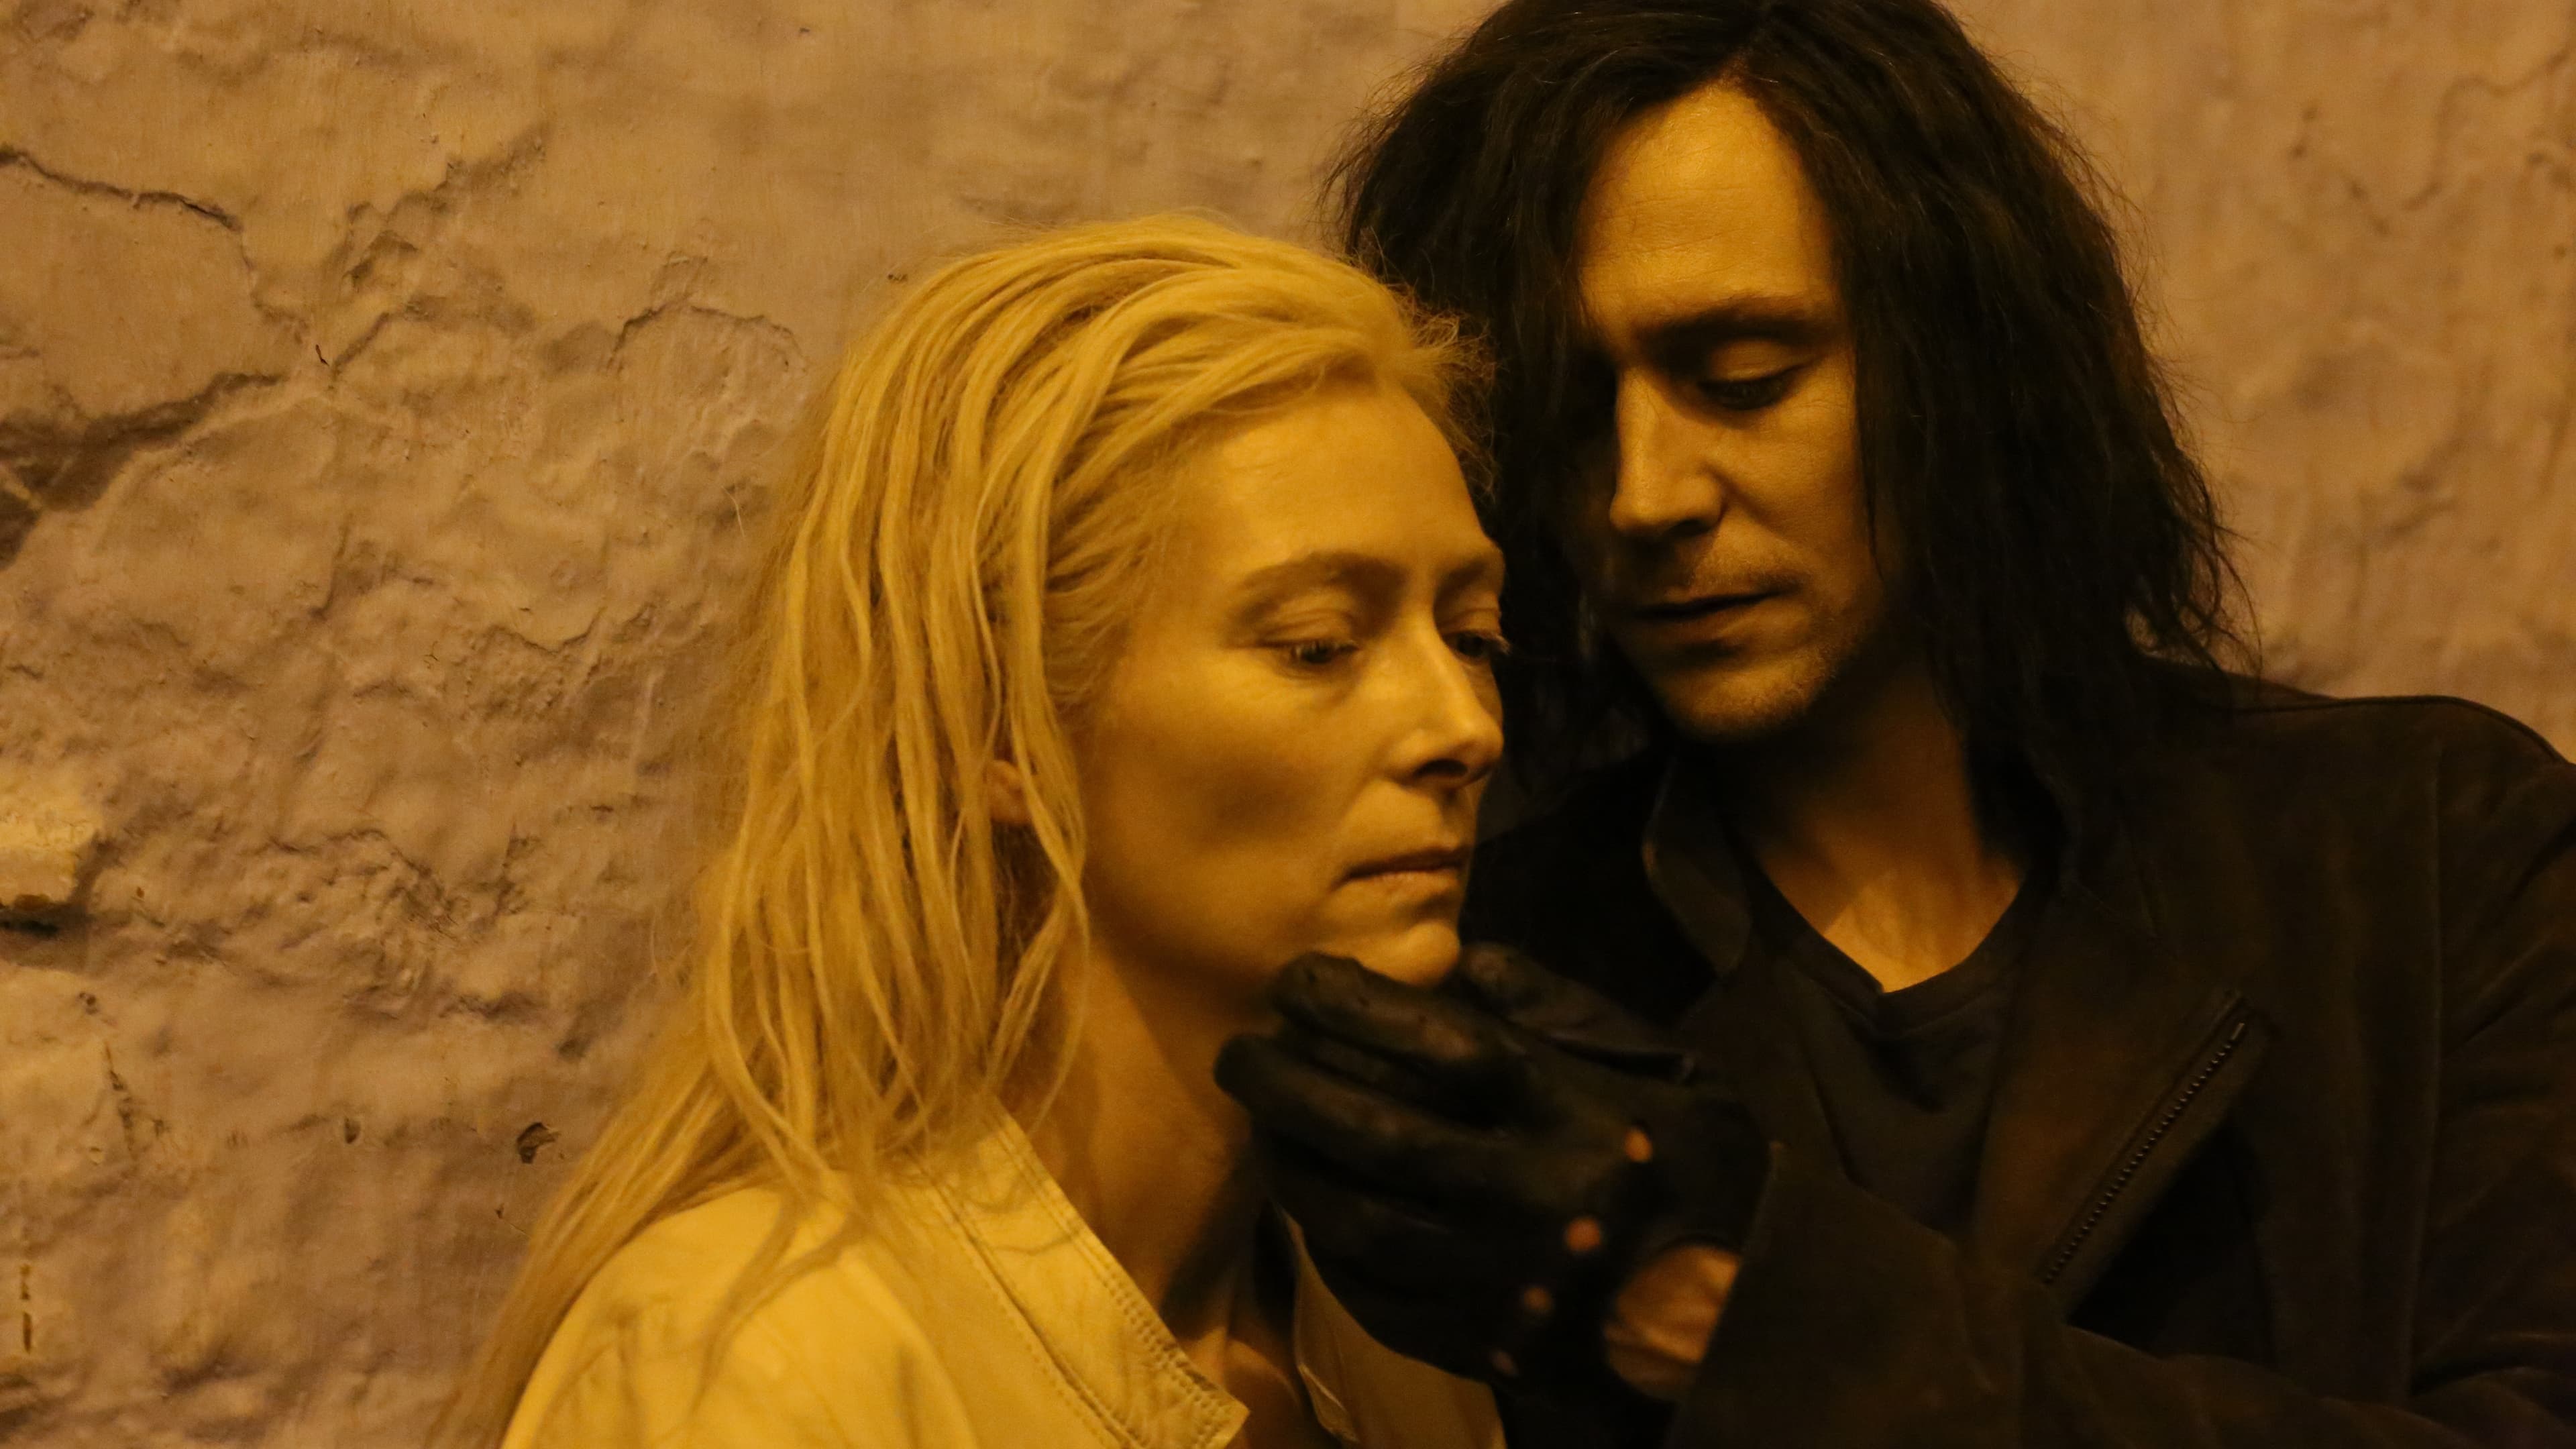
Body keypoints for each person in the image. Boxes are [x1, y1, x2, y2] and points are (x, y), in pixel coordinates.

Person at [1214, 1, 2576, 1444]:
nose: (1645, 494)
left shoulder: (2425, 857)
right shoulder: (1486, 959)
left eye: (1744, 379)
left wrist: (1739, 1316)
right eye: (1566, 413)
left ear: (1964, 352)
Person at [432, 215, 1513, 1449]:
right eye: (1319, 645)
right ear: (1005, 720)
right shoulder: (757, 1374)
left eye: (1473, 635)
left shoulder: (1394, 1341)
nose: (1462, 726)